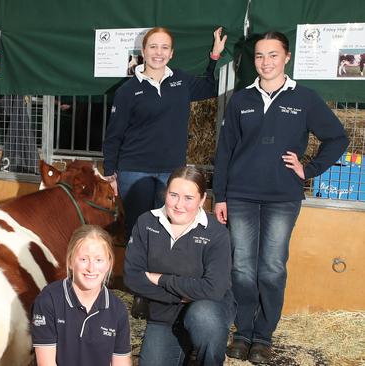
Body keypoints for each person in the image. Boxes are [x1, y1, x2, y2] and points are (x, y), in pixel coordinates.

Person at [213, 31, 349, 364]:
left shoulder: (304, 98)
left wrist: (309, 168)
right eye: (259, 56)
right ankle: (243, 332)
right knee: (242, 269)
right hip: (241, 195)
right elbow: (225, 150)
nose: (266, 62)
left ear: (286, 57)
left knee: (271, 269)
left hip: (282, 197)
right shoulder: (241, 99)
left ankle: (263, 336)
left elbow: (338, 138)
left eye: (273, 55)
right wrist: (220, 196)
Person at [103, 26, 227, 239]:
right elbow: (114, 134)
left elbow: (208, 87)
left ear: (171, 53)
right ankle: (137, 273)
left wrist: (214, 56)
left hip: (171, 173)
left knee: (166, 231)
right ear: (143, 51)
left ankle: (160, 273)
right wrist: (109, 172)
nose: (158, 53)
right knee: (138, 231)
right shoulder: (127, 90)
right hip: (134, 171)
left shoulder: (181, 81)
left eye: (164, 47)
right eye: (153, 47)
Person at [124, 166, 235, 366]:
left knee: (204, 319)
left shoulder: (216, 233)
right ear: (165, 193)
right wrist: (182, 295)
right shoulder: (146, 223)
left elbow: (214, 288)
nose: (179, 205)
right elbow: (133, 278)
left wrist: (161, 279)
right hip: (164, 313)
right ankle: (186, 347)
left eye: (188, 198)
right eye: (173, 195)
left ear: (202, 200)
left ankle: (205, 353)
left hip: (207, 309)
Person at [31, 225, 132, 366]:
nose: (91, 268)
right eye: (83, 259)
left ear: (109, 263)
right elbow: (46, 363)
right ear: (70, 261)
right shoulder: (48, 300)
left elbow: (121, 362)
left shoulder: (118, 309)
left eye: (99, 260)